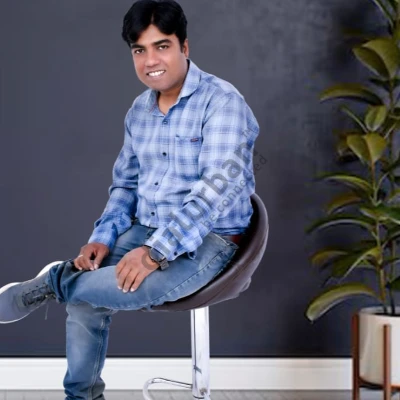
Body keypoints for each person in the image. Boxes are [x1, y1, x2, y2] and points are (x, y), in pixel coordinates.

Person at [0, 0, 259, 398]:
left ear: (184, 47)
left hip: (213, 240)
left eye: (162, 46)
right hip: (147, 227)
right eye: (140, 50)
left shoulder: (222, 103)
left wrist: (154, 253)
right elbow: (125, 186)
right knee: (86, 297)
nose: (150, 61)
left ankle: (54, 281)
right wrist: (103, 237)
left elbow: (213, 195)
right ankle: (82, 395)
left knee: (129, 287)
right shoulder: (139, 110)